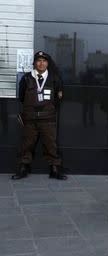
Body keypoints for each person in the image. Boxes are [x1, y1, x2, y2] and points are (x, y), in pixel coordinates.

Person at [12, 51, 67, 180]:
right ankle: (23, 168)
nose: (41, 63)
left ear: (47, 63)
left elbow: (58, 99)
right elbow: (21, 97)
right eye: (39, 60)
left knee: (50, 145)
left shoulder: (54, 78)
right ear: (34, 63)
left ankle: (54, 169)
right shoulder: (26, 78)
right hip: (30, 119)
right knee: (27, 144)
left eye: (44, 61)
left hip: (48, 119)